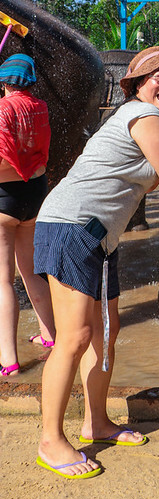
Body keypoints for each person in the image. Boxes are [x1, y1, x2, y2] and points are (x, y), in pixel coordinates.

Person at [33, 46, 159, 479]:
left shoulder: (146, 122)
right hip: (72, 227)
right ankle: (51, 440)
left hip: (99, 236)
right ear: (138, 84)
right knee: (75, 336)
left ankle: (96, 422)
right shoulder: (144, 116)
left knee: (106, 331)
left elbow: (147, 171)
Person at [0, 53, 55, 377]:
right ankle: (50, 336)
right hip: (35, 195)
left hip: (3, 199)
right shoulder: (40, 108)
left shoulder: (3, 110)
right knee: (31, 271)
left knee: (3, 281)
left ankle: (8, 359)